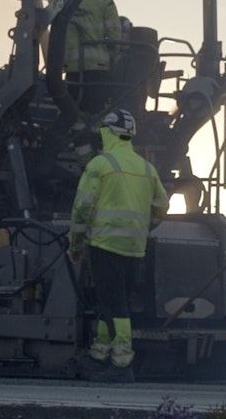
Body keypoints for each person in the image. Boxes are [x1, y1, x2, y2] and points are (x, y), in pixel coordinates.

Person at [69, 108, 169, 382]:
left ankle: (122, 363)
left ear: (107, 133)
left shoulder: (100, 165)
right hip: (135, 248)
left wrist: (75, 244)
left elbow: (81, 210)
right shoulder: (147, 168)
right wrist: (143, 228)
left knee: (115, 304)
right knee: (109, 302)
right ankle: (99, 354)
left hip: (105, 244)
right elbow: (162, 205)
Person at [64, 0, 123, 114]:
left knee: (73, 111)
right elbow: (114, 39)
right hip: (97, 70)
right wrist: (115, 60)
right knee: (96, 114)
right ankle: (96, 137)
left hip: (71, 69)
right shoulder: (105, 3)